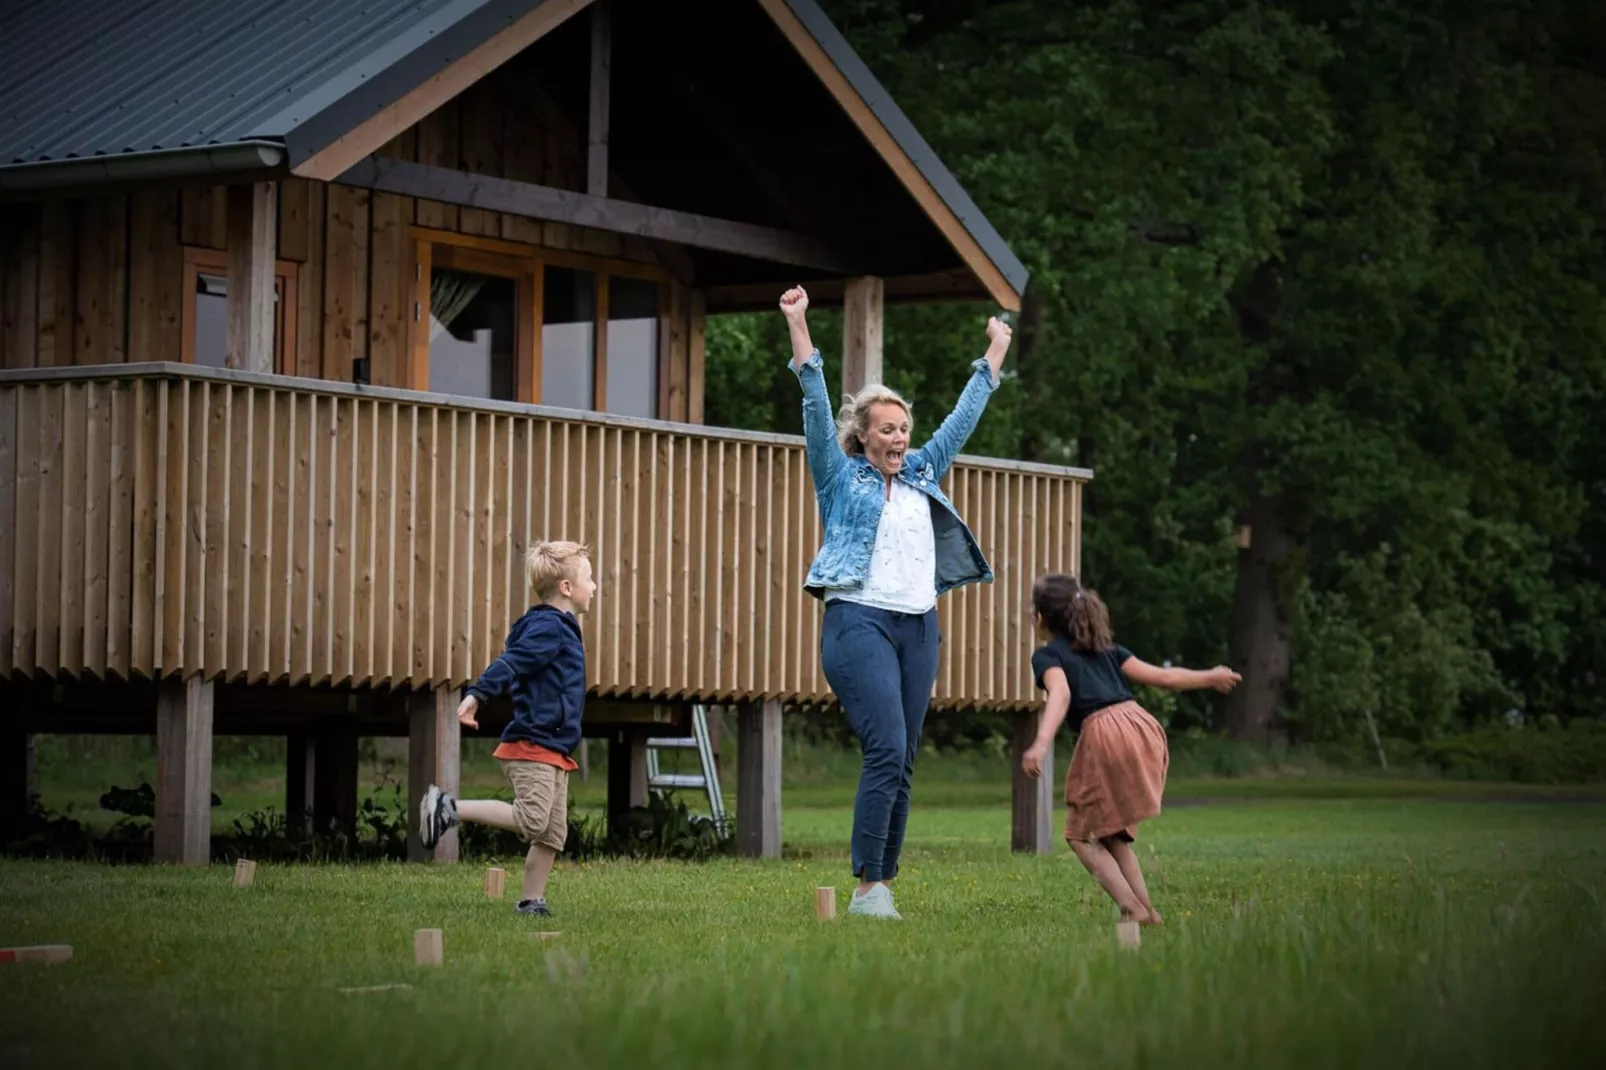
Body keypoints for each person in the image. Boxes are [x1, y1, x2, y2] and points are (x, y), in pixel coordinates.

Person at [779, 284, 1012, 920]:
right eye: (888, 429)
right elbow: (815, 399)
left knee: (904, 758)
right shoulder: (837, 472)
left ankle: (881, 885)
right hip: (857, 618)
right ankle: (864, 888)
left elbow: (962, 419)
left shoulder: (920, 473)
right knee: (884, 746)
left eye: (904, 428)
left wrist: (992, 354)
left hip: (919, 626)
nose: (900, 437)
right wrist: (799, 324)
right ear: (864, 435)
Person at [1020, 572, 1240, 925]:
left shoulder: (1047, 657)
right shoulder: (1107, 650)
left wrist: (1040, 744)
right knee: (1111, 835)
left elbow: (1060, 695)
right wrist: (1210, 677)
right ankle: (1150, 914)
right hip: (1140, 726)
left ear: (1041, 618)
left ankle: (1131, 907)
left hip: (1104, 733)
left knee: (1080, 835)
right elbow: (1165, 678)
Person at [418, 540, 597, 918]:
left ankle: (532, 901)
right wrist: (477, 695)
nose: (595, 587)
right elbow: (512, 661)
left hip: (554, 747)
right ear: (567, 588)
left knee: (551, 833)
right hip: (533, 744)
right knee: (533, 821)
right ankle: (448, 809)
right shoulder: (550, 627)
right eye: (589, 579)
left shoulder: (556, 627)